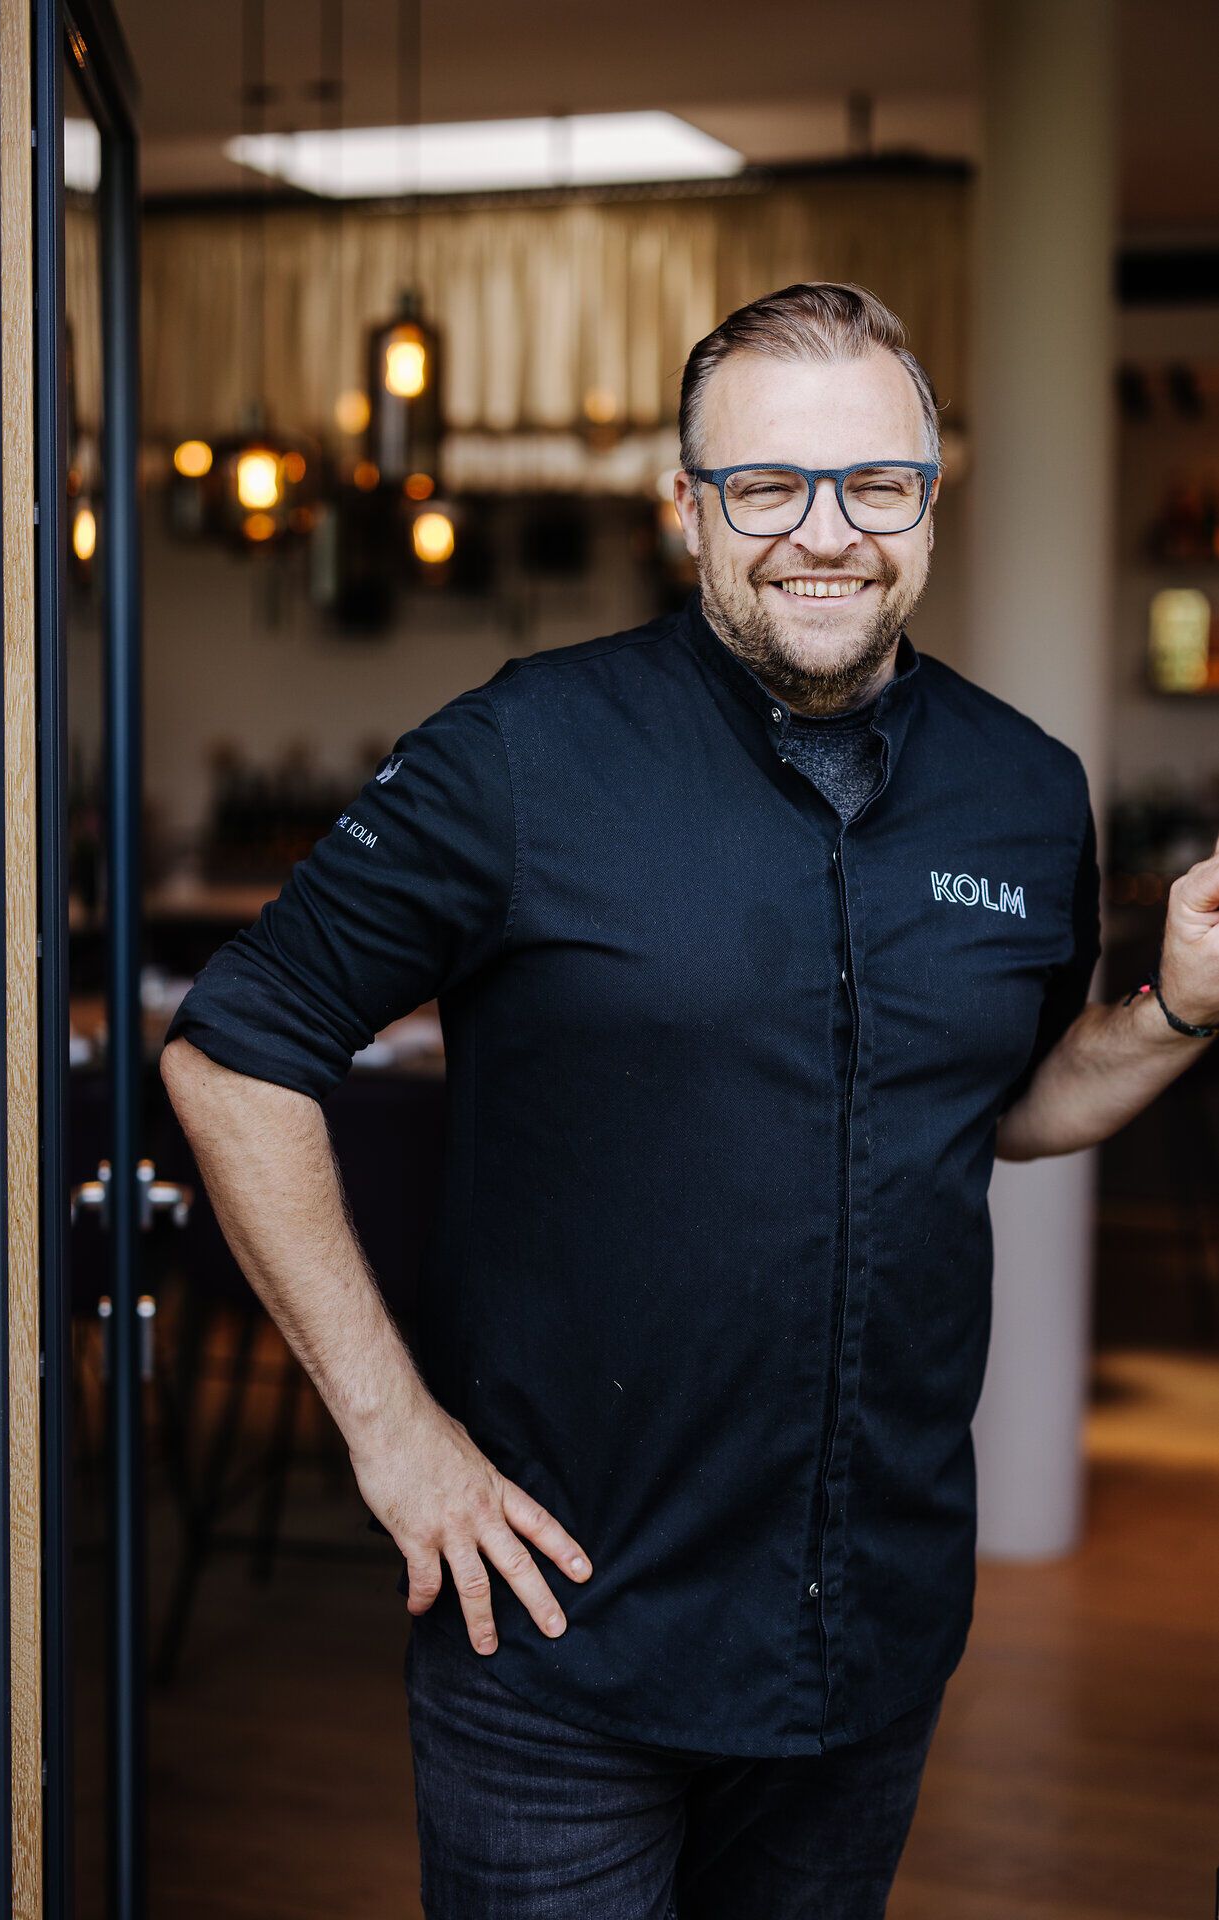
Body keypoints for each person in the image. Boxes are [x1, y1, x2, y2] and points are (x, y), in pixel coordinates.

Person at [160, 281, 1219, 1918]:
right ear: (685, 510)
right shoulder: (519, 756)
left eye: (874, 484)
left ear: (928, 505)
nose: (824, 534)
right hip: (560, 1643)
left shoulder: (1025, 791)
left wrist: (1169, 1012)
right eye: (763, 486)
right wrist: (392, 1436)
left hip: (866, 1643)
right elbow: (234, 1051)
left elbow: (995, 1107)